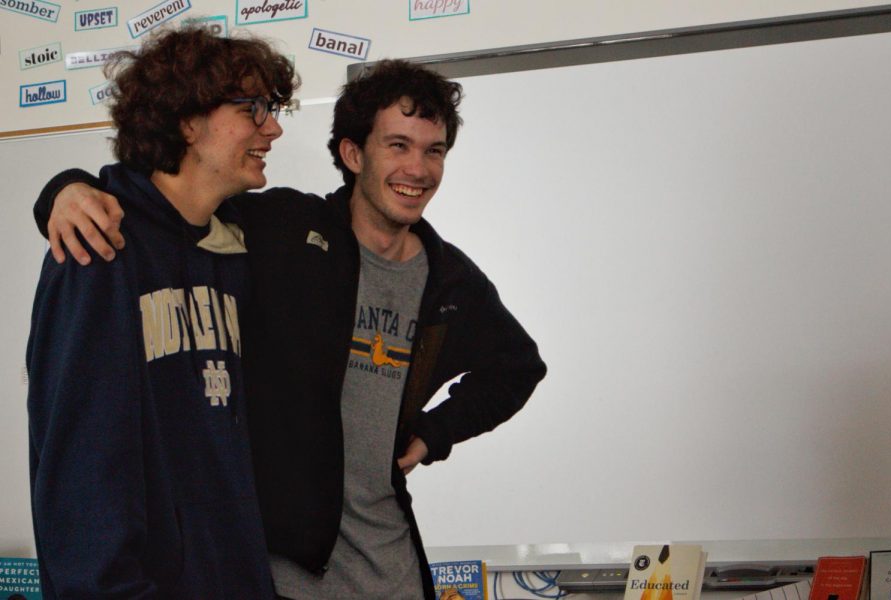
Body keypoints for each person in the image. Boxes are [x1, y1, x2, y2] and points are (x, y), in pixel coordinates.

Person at [33, 59, 546, 599]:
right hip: (284, 578)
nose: (417, 169)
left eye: (433, 150)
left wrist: (433, 434)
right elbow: (171, 198)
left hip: (395, 573)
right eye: (397, 146)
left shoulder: (450, 278)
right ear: (353, 154)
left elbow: (517, 367)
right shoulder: (282, 230)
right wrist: (63, 191)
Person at [26, 27, 298, 598]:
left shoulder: (236, 249)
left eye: (271, 110)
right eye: (253, 109)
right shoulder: (99, 246)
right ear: (186, 120)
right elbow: (80, 466)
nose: (271, 128)